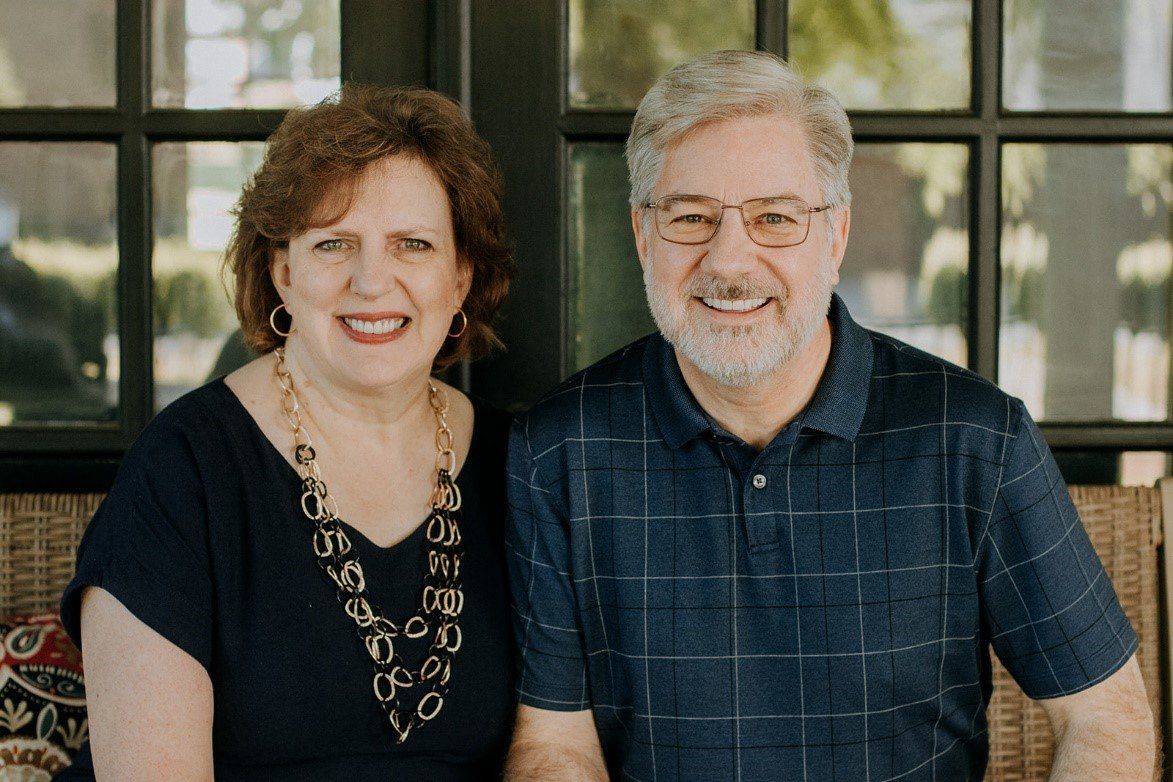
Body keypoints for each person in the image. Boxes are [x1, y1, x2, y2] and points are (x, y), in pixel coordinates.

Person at [504, 51, 1154, 780]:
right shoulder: (556, 450)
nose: (729, 261)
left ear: (836, 237)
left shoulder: (975, 437)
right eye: (690, 217)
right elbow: (555, 746)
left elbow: (1105, 718)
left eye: (774, 218)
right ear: (641, 235)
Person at [59, 84, 516, 780]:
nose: (372, 281)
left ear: (459, 279)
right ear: (283, 274)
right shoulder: (186, 467)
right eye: (334, 243)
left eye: (413, 245)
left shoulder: (522, 464)